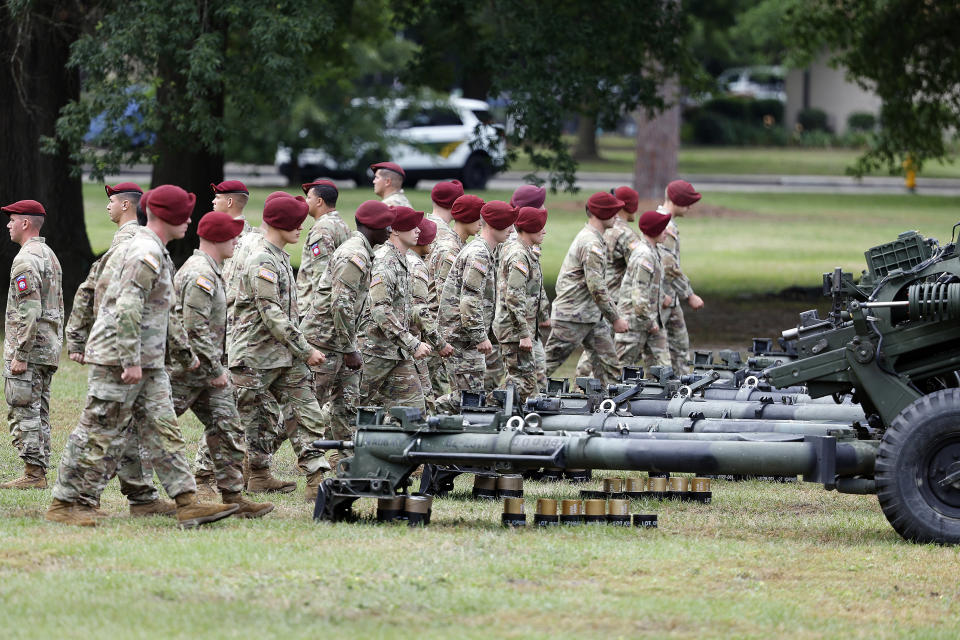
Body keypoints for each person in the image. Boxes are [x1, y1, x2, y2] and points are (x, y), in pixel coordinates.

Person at [48, 185, 238, 528]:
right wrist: (129, 358)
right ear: (167, 216)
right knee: (96, 430)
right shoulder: (144, 252)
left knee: (165, 429)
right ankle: (64, 503)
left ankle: (187, 502)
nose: (190, 220)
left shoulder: (154, 250)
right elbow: (129, 306)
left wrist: (185, 355)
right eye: (184, 213)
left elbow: (164, 312)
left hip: (148, 361)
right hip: (120, 360)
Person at [62, 182, 167, 514]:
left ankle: (132, 496)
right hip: (124, 349)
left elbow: (88, 291)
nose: (107, 206)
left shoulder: (128, 240)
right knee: (116, 425)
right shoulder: (137, 240)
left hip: (120, 349)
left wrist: (78, 337)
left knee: (110, 426)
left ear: (127, 206)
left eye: (112, 201)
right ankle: (108, 498)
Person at [169, 211, 273, 518]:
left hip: (206, 370)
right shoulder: (200, 272)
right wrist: (215, 371)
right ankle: (93, 492)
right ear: (216, 238)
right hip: (185, 370)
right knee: (143, 428)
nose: (237, 240)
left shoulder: (212, 269)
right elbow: (193, 327)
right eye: (232, 235)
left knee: (228, 426)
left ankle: (233, 497)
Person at [227, 193, 330, 501]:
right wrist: (305, 349)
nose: (301, 228)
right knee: (236, 418)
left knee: (307, 412)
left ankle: (316, 477)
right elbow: (271, 312)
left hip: (283, 355)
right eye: (295, 223)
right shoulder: (262, 258)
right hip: (254, 355)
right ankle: (205, 475)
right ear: (278, 223)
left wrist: (297, 350)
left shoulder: (279, 254)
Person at [300, 200, 395, 461]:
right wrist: (350, 348)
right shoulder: (354, 255)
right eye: (386, 225)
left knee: (347, 404)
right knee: (307, 405)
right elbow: (340, 305)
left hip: (341, 341)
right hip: (325, 341)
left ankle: (343, 458)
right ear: (370, 226)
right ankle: (256, 462)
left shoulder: (364, 251)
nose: (390, 230)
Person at [0, 200, 62, 490]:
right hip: (47, 348)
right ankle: (37, 470)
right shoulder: (49, 254)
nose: (8, 225)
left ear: (26, 223)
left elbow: (31, 310)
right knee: (39, 411)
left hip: (30, 349)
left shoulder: (25, 259)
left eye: (12, 219)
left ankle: (33, 474)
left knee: (24, 409)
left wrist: (21, 353)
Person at [436, 201, 518, 412]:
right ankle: (415, 413)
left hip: (465, 337)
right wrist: (479, 336)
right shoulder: (479, 254)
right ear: (494, 225)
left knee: (470, 398)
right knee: (466, 399)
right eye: (507, 224)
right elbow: (469, 299)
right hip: (461, 338)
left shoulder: (484, 250)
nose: (511, 229)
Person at [543, 192, 629, 386]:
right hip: (573, 316)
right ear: (601, 214)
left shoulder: (595, 239)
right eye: (613, 211)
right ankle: (503, 405)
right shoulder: (591, 244)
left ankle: (607, 409)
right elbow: (596, 287)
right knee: (542, 369)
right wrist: (615, 318)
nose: (617, 215)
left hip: (590, 315)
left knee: (609, 368)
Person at [359, 206, 431, 411]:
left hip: (396, 353)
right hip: (374, 351)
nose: (418, 230)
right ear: (395, 231)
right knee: (349, 404)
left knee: (414, 410)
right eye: (411, 226)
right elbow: (380, 310)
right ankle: (310, 436)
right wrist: (412, 343)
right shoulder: (384, 262)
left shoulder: (403, 260)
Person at [576, 185, 641, 378]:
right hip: (613, 301)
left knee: (593, 349)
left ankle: (581, 384)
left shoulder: (600, 229)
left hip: (595, 297)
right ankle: (584, 389)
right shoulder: (624, 233)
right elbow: (640, 266)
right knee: (602, 348)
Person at [493, 206, 550, 404]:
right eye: (540, 226)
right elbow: (514, 297)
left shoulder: (523, 251)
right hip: (514, 331)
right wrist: (524, 334)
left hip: (518, 329)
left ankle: (513, 416)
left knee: (527, 381)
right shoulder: (519, 255)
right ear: (529, 228)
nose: (544, 231)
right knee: (523, 382)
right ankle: (484, 407)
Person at [656, 180, 705, 375]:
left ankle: (680, 387)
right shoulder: (664, 225)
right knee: (649, 348)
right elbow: (669, 267)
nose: (690, 207)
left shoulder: (667, 223)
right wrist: (689, 295)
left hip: (670, 298)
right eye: (687, 202)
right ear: (677, 201)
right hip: (662, 297)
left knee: (679, 347)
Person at [615, 210, 672, 372]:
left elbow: (650, 288)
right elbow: (639, 294)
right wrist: (648, 321)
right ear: (654, 231)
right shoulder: (644, 255)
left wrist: (661, 299)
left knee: (663, 370)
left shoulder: (654, 251)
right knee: (619, 369)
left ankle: (660, 396)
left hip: (652, 322)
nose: (667, 232)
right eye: (663, 228)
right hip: (635, 323)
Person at [406, 217, 454, 411]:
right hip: (409, 342)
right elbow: (419, 310)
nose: (434, 244)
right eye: (432, 239)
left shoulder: (405, 259)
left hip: (405, 341)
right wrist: (440, 343)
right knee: (423, 398)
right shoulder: (417, 267)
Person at [296, 179, 350, 315]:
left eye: (308, 197)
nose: (305, 201)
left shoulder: (321, 229)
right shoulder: (342, 225)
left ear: (319, 201)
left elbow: (322, 275)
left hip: (313, 310)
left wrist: (316, 314)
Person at [427, 194, 484, 288]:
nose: (481, 223)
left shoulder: (461, 244)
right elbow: (445, 293)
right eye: (478, 218)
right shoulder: (450, 249)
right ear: (466, 217)